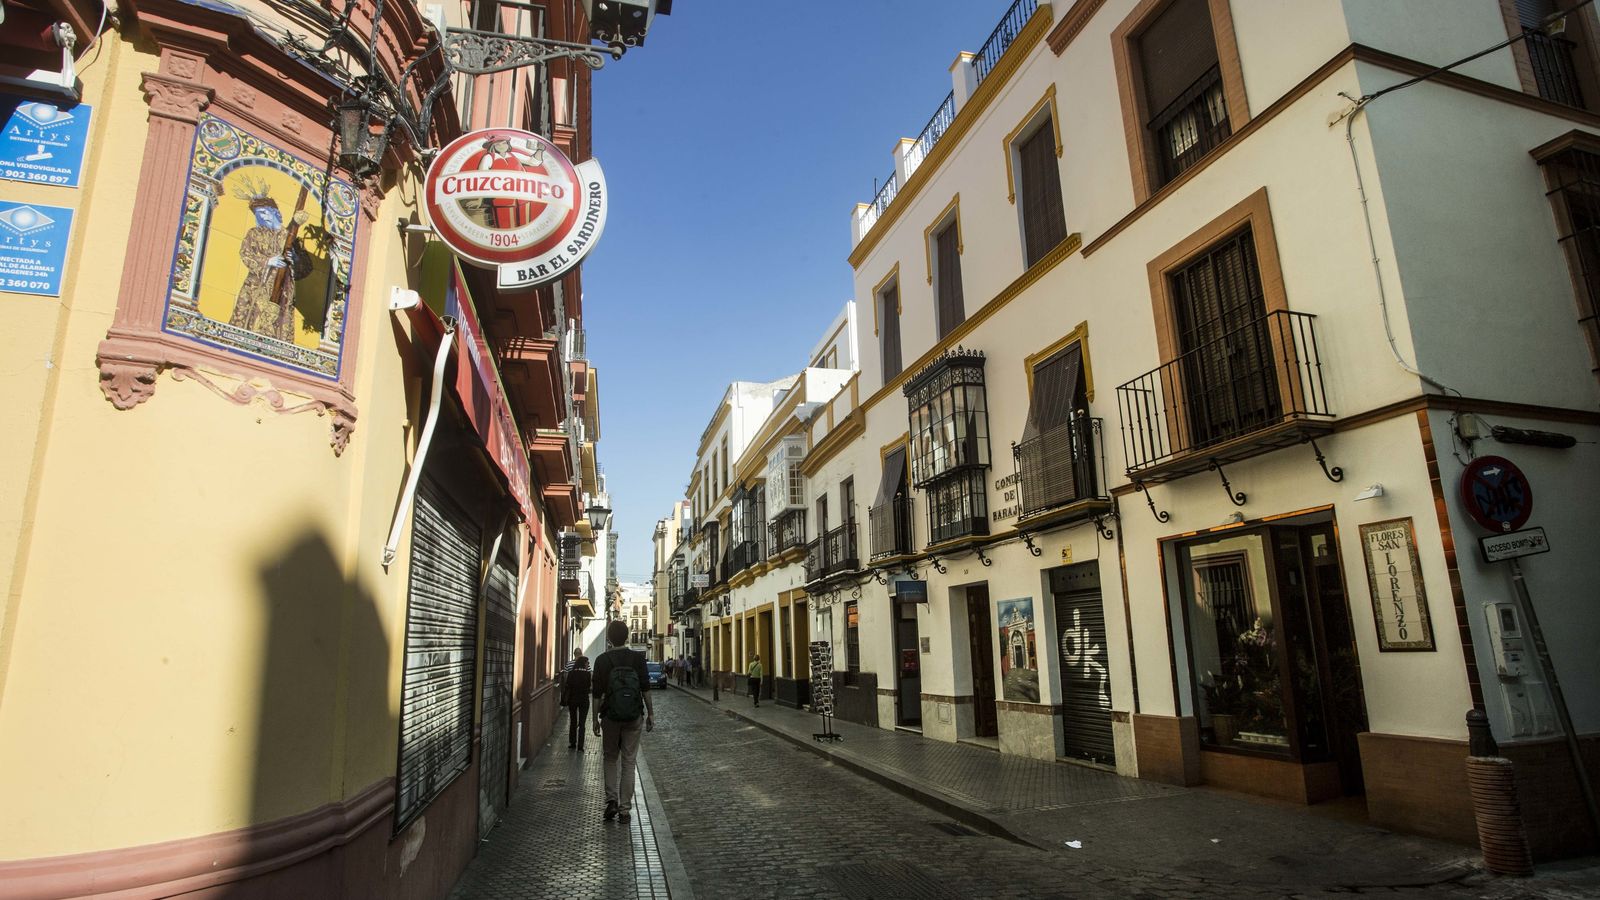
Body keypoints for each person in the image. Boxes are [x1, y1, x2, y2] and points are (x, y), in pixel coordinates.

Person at [592, 619, 654, 824]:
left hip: (610, 716)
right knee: (629, 761)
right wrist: (651, 714)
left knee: (610, 758)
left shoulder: (601, 661)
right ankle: (625, 810)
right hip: (633, 717)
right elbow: (645, 689)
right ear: (627, 637)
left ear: (609, 639)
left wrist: (594, 719)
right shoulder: (637, 659)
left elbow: (597, 694)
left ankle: (611, 800)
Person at [561, 650, 591, 751]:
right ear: (583, 663)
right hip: (584, 700)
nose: (588, 665)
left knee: (573, 721)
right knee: (582, 723)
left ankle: (572, 742)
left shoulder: (571, 673)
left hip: (573, 700)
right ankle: (580, 746)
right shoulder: (587, 674)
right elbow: (589, 687)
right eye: (587, 663)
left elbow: (567, 684)